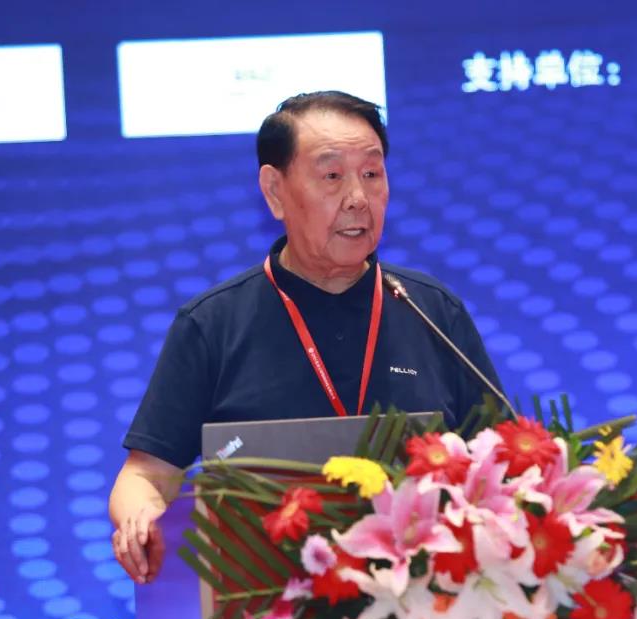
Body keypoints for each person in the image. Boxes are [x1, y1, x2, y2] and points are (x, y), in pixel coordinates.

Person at [109, 91, 502, 584]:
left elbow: (502, 462)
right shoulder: (212, 324)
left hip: (429, 606)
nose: (358, 197)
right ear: (274, 191)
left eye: (372, 174)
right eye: (332, 176)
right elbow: (146, 473)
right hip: (269, 609)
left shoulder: (431, 311)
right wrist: (140, 515)